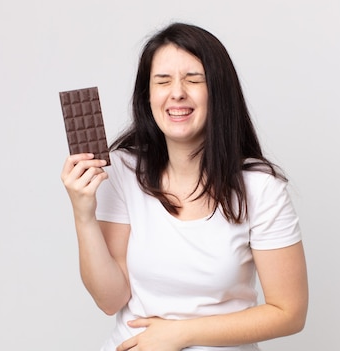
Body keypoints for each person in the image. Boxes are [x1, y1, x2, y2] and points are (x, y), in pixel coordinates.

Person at [61, 22, 308, 351]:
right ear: (147, 95)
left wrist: (181, 333)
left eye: (194, 80)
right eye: (162, 81)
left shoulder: (260, 189)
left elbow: (289, 312)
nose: (177, 92)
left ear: (219, 93)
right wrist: (83, 214)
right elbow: (110, 299)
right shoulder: (121, 170)